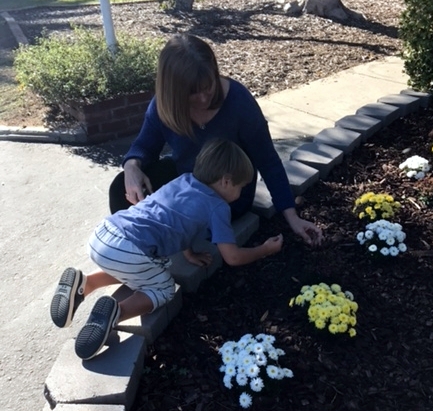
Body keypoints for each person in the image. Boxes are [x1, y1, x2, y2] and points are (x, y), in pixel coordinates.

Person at [50, 139, 284, 361]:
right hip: (128, 248)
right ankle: (115, 312)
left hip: (105, 234)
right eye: (241, 187)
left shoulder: (184, 180)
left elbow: (176, 220)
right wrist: (264, 249)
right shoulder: (218, 206)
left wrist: (188, 252)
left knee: (143, 267)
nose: (241, 193)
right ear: (225, 181)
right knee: (163, 288)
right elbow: (232, 257)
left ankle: (85, 284)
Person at [109, 33, 323, 247]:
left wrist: (291, 216)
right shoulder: (164, 106)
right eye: (193, 93)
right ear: (174, 91)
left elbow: (267, 161)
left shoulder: (239, 102)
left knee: (170, 215)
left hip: (227, 197)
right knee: (121, 189)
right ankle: (132, 254)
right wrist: (132, 166)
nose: (203, 98)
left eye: (208, 86)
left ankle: (158, 248)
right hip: (187, 186)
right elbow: (144, 146)